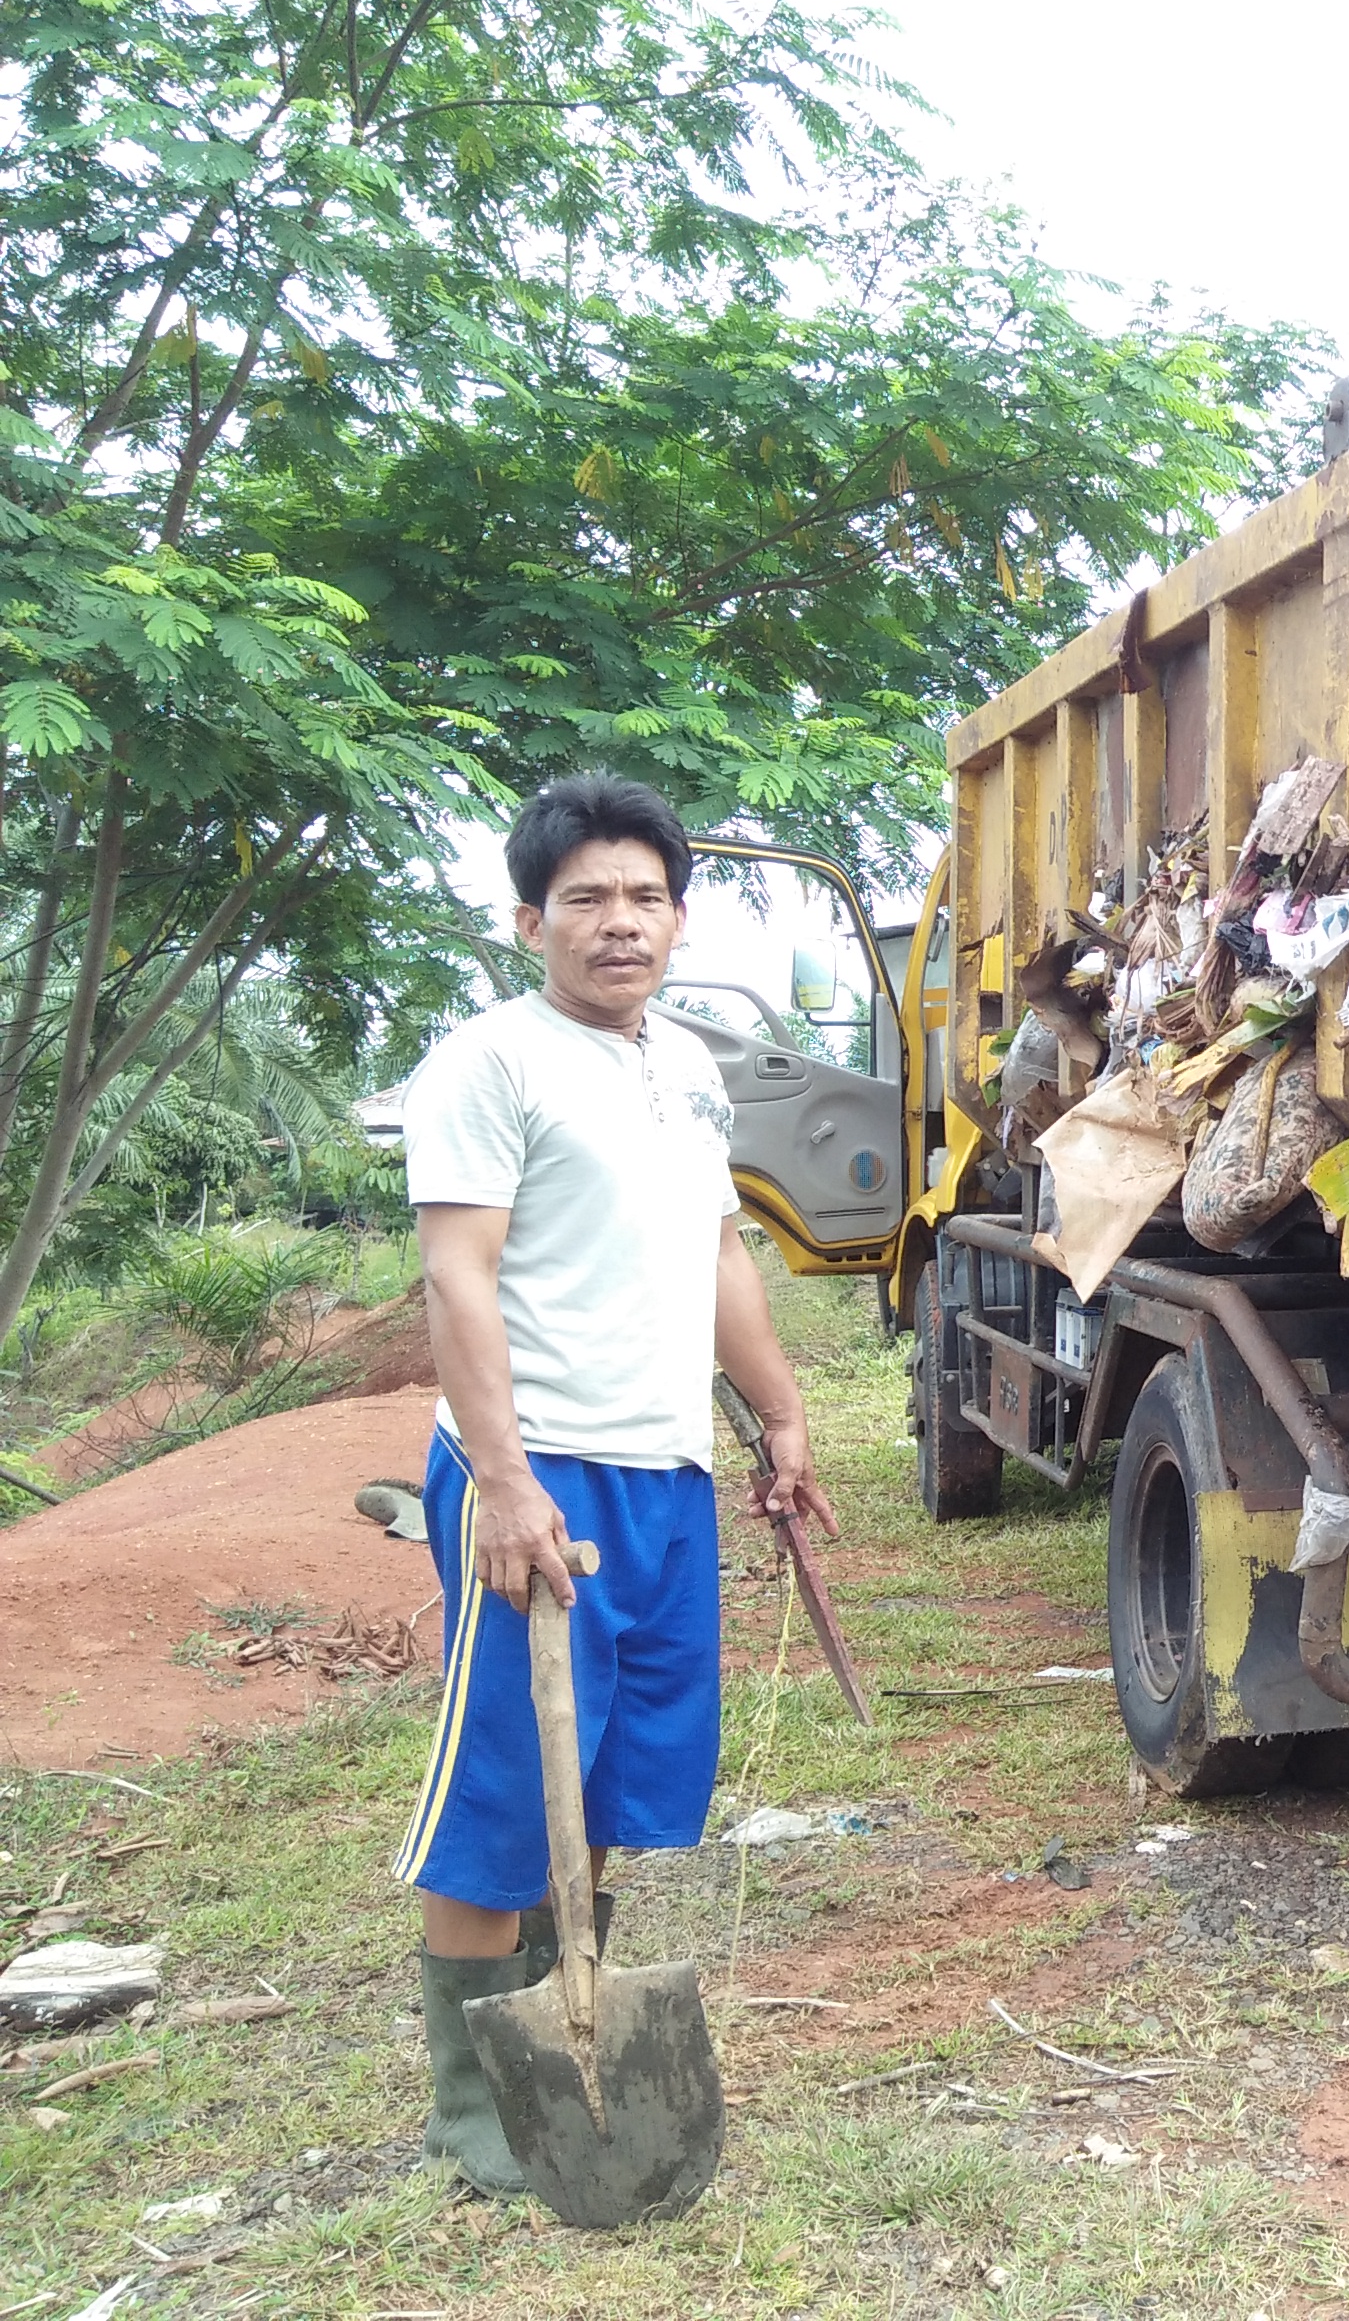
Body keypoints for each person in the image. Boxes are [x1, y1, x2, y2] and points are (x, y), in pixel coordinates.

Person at [394, 773, 839, 2193]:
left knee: (618, 1780)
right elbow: (455, 1275)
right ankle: (482, 2117)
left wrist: (777, 1416)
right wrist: (509, 1483)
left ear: (681, 917)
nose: (619, 922)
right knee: (509, 1795)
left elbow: (718, 1256)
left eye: (645, 896)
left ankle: (572, 2042)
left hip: (664, 1476)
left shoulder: (684, 1066)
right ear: (530, 918)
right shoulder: (491, 1062)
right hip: (542, 1475)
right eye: (585, 897)